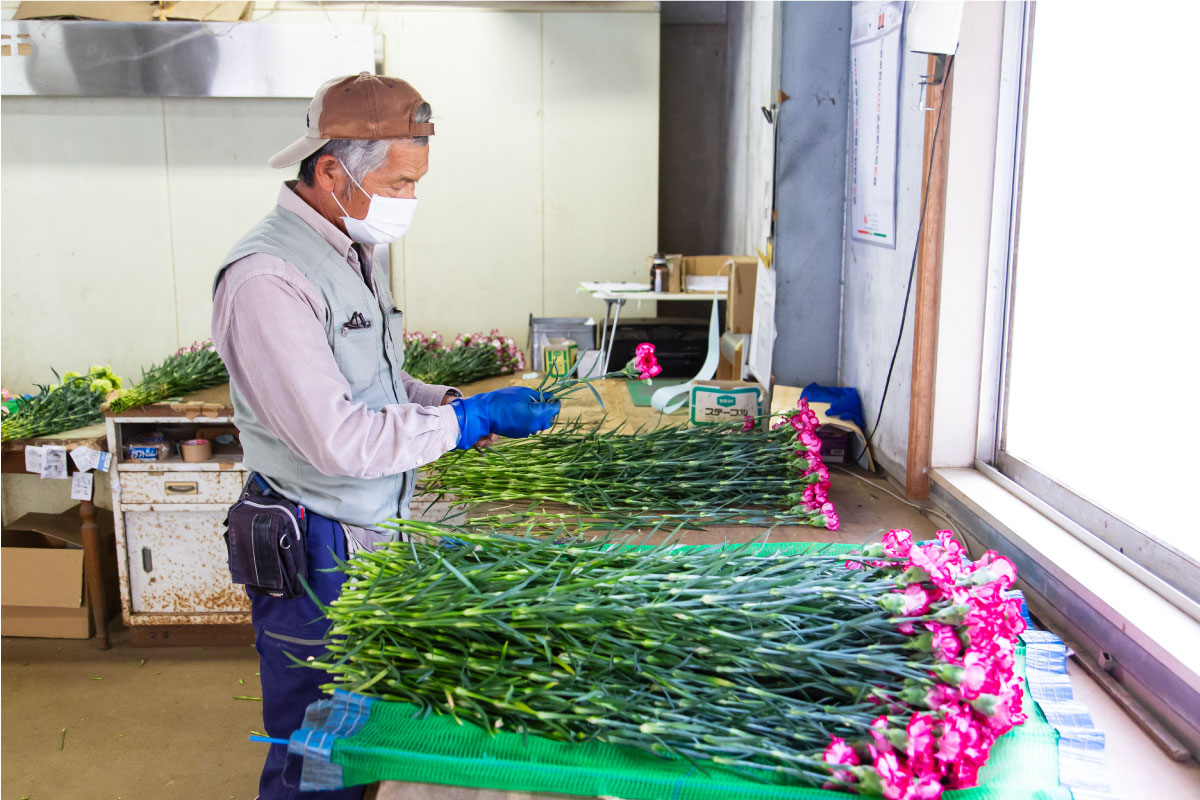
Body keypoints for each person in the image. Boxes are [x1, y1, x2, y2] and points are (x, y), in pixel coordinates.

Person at [211, 72, 560, 800]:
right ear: (332, 171)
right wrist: (466, 425)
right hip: (313, 543)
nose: (408, 202)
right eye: (400, 183)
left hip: (364, 530)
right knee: (317, 747)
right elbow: (342, 439)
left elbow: (378, 385)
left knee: (358, 730)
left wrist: (460, 403)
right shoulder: (269, 279)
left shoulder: (347, 249)